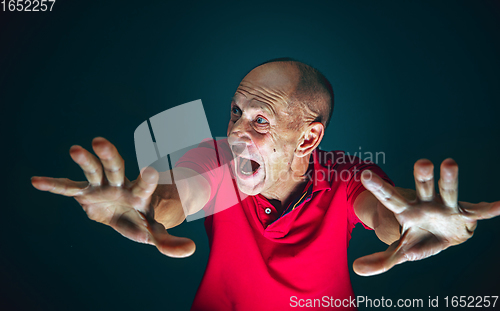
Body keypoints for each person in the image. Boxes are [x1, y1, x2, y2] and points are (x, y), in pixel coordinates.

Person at [31, 59, 500, 310]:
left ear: (308, 136)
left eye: (260, 119)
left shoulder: (348, 176)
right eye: (235, 112)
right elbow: (176, 197)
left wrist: (432, 227)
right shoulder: (216, 159)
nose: (237, 131)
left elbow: (389, 217)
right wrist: (141, 206)